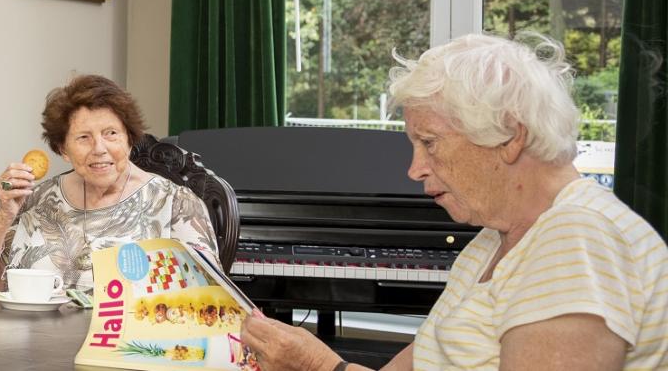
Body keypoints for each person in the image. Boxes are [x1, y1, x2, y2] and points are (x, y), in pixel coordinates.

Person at [239, 34, 668, 370]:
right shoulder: (491, 242)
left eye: (429, 142)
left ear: (508, 135)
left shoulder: (577, 239)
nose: (415, 169)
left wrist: (319, 367)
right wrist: (317, 362)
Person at [0, 75, 219, 291]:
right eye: (84, 137)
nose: (99, 148)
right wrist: (3, 216)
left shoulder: (176, 206)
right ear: (63, 149)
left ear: (129, 138)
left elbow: (209, 299)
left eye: (111, 133)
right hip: (30, 349)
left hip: (127, 351)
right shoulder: (37, 200)